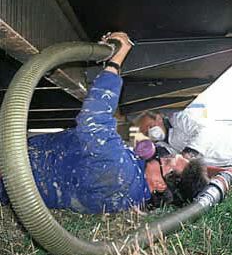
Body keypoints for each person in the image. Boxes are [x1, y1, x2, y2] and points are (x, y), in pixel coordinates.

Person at [0, 32, 209, 213]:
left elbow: (93, 122)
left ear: (160, 185)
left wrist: (115, 60)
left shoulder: (122, 174)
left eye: (167, 162)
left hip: (10, 169)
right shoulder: (131, 189)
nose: (162, 156)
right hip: (16, 167)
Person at [136, 110, 232, 168]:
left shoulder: (180, 118)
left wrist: (189, 152)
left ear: (159, 118)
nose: (150, 132)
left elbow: (205, 131)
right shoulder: (163, 144)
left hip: (226, 147)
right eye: (146, 133)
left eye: (150, 126)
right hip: (223, 164)